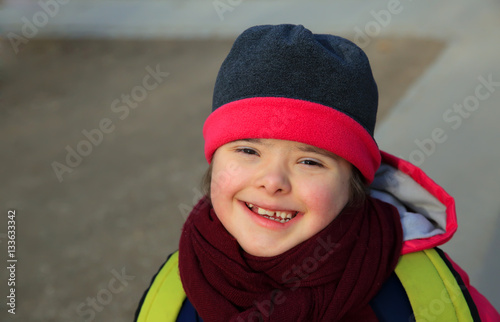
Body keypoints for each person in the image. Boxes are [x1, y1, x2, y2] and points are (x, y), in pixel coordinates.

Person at [135, 24, 499, 321]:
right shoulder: (176, 289)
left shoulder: (422, 295)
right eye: (248, 150)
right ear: (214, 162)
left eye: (310, 161)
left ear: (354, 185)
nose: (273, 182)